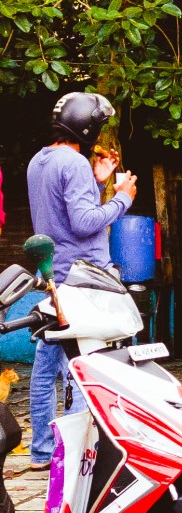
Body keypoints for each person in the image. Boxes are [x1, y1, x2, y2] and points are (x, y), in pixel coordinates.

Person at [26, 92, 137, 469]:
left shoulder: (39, 161)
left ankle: (43, 451)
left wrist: (97, 181)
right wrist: (122, 198)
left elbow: (62, 211)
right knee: (89, 364)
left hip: (54, 276)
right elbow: (84, 222)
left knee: (46, 367)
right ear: (87, 128)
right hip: (83, 279)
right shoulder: (72, 162)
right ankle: (78, 452)